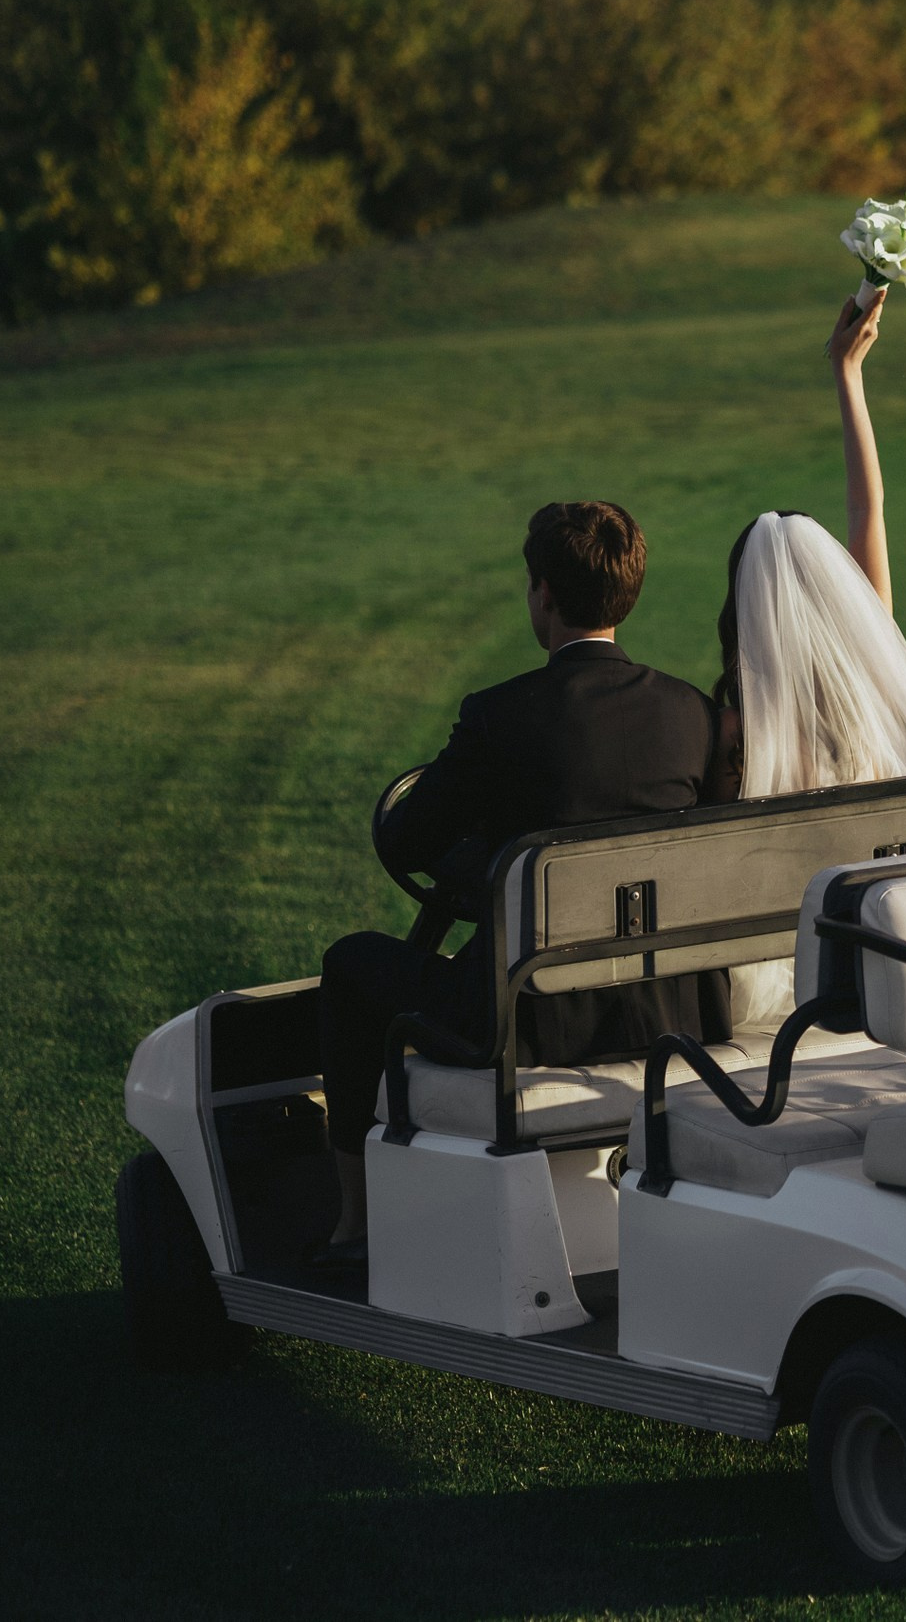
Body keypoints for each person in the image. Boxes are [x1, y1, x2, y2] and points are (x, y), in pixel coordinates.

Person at [314, 500, 721, 1261]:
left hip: (529, 1022)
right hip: (672, 1013)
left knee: (349, 966)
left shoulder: (499, 717)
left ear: (542, 593)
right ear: (627, 591)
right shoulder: (690, 713)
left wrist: (483, 862)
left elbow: (409, 837)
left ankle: (355, 1221)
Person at [711, 288, 906, 1028]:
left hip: (785, 979)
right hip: (886, 954)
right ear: (841, 600)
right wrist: (848, 375)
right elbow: (871, 509)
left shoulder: (736, 730)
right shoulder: (872, 671)